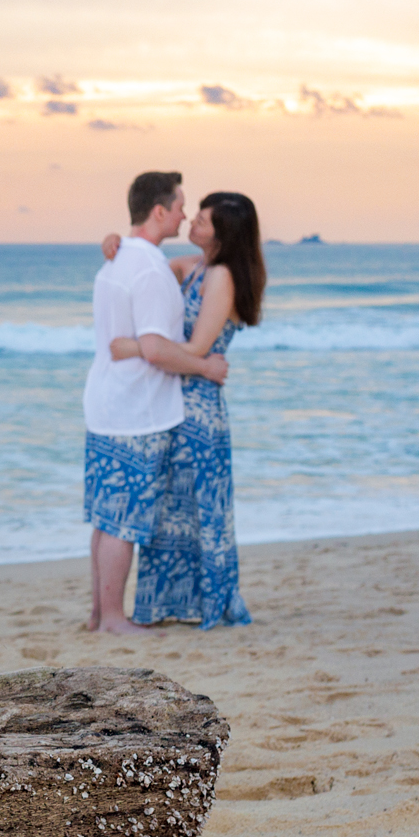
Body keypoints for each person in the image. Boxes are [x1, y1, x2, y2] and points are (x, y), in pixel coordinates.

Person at [101, 190, 265, 628]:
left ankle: (208, 603)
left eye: (204, 222)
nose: (192, 223)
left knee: (200, 511)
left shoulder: (222, 277)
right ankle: (171, 605)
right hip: (175, 401)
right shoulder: (194, 267)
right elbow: (146, 267)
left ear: (224, 234)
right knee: (172, 512)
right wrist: (119, 241)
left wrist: (136, 347)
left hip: (198, 409)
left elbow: (197, 347)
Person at [82, 171, 229, 634]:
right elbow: (158, 346)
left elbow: (143, 341)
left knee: (107, 518)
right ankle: (112, 618)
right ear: (159, 211)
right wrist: (206, 367)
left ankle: (98, 614)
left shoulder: (118, 260)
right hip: (138, 412)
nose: (185, 213)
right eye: (181, 205)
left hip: (108, 402)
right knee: (123, 521)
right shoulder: (147, 269)